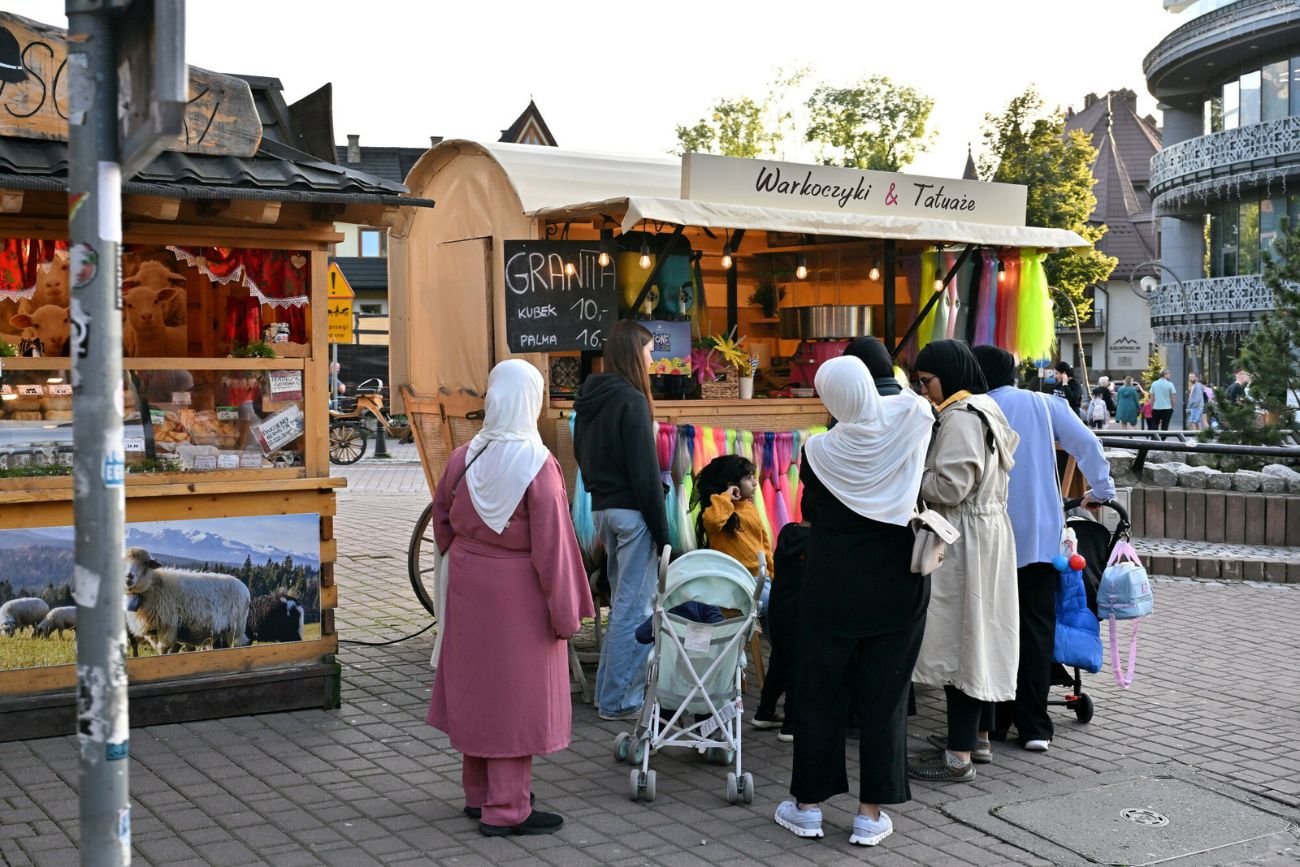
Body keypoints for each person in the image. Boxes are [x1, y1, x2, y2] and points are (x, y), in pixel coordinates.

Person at [426, 360, 595, 837]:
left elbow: (441, 521)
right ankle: (507, 807)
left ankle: (478, 794)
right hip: (518, 594)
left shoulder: (464, 456)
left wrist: (469, 556)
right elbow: (553, 549)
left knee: (479, 689)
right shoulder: (538, 466)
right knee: (514, 698)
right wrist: (567, 614)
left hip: (468, 586)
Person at [773, 356, 935, 848]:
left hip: (831, 586)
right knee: (886, 698)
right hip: (898, 583)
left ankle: (807, 807)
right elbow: (913, 399)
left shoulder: (817, 451)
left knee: (819, 693)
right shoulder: (911, 421)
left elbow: (813, 505)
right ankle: (870, 814)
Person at [973, 346, 1116, 753]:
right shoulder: (1042, 403)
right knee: (1036, 627)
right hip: (1039, 535)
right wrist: (1102, 490)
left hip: (987, 537)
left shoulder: (971, 408)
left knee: (991, 628)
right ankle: (1035, 724)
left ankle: (993, 722)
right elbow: (1086, 442)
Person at [907, 339, 1020, 785]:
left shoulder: (959, 417)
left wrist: (909, 472)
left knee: (961, 644)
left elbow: (950, 487)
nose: (924, 390)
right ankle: (975, 738)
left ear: (948, 375)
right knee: (979, 636)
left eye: (927, 381)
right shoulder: (985, 408)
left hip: (963, 537)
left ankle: (958, 758)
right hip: (985, 534)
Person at [574, 320, 671, 722]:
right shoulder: (632, 401)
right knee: (635, 608)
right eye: (648, 351)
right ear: (634, 352)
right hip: (633, 514)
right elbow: (645, 475)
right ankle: (619, 700)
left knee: (622, 605)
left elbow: (580, 455)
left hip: (602, 510)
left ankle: (607, 694)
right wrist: (664, 534)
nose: (652, 359)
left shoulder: (590, 398)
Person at [690, 454, 778, 726]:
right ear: (732, 484)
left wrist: (772, 573)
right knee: (780, 613)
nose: (755, 482)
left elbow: (764, 546)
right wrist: (726, 497)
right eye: (748, 478)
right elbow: (714, 520)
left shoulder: (750, 508)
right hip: (734, 586)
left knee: (781, 618)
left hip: (761, 581)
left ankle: (782, 663)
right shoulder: (718, 511)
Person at [758, 516, 810, 743]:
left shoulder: (788, 532)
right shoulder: (818, 541)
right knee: (797, 668)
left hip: (778, 608)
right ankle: (791, 724)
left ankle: (764, 711)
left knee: (779, 661)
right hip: (801, 613)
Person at [1150, 369, 1176, 433]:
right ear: (1165, 375)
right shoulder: (1170, 384)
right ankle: (1163, 438)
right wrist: (1173, 407)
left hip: (1156, 408)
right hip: (1167, 408)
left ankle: (1154, 437)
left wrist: (1152, 406)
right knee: (1165, 425)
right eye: (1168, 373)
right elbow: (1173, 397)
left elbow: (1152, 397)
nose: (1170, 375)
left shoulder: (1154, 384)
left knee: (1155, 424)